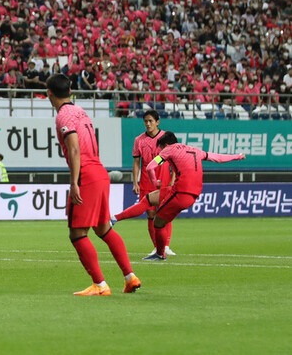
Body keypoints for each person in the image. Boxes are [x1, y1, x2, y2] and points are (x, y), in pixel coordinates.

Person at [46, 74, 139, 296]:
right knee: (103, 228)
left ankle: (100, 284)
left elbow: (74, 148)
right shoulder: (79, 111)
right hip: (100, 171)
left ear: (49, 94)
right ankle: (130, 277)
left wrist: (75, 182)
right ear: (70, 92)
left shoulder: (63, 116)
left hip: (86, 175)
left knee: (77, 234)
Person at [113, 133, 245, 261]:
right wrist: (237, 157)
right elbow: (217, 157)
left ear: (164, 144)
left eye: (160, 149)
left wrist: (154, 182)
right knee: (149, 199)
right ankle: (114, 219)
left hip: (181, 193)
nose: (160, 152)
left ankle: (160, 254)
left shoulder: (168, 150)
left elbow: (150, 167)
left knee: (158, 223)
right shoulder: (194, 150)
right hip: (191, 192)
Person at [131, 110, 175, 258]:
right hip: (146, 181)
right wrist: (135, 181)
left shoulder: (166, 138)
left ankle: (166, 245)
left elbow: (174, 160)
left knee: (164, 211)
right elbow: (137, 162)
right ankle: (157, 247)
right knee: (150, 213)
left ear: (157, 122)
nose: (148, 124)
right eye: (146, 121)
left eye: (151, 121)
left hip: (164, 179)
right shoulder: (139, 140)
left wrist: (173, 179)